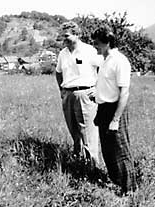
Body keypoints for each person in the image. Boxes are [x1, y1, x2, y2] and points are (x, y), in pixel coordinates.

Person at [91, 26, 136, 194]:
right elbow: (107, 87)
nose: (94, 46)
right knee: (108, 150)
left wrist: (116, 119)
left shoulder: (119, 61)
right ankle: (117, 182)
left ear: (107, 42)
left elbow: (124, 93)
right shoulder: (105, 60)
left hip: (115, 109)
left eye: (97, 43)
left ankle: (129, 190)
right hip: (103, 108)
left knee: (121, 149)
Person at [55, 21, 102, 167]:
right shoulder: (63, 53)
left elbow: (104, 69)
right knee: (74, 131)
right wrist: (62, 91)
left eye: (67, 35)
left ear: (77, 34)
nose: (64, 39)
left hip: (85, 94)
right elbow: (58, 73)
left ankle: (93, 169)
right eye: (63, 36)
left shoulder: (89, 51)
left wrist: (99, 89)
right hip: (68, 94)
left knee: (87, 133)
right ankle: (78, 163)